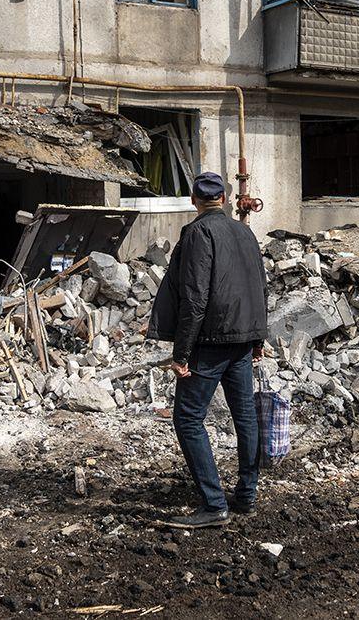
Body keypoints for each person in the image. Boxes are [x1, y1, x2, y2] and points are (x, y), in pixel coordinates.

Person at [147, 171, 268, 529]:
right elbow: (260, 286)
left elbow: (195, 297)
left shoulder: (198, 232)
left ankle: (214, 504)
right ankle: (246, 495)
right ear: (226, 200)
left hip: (211, 341)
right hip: (243, 340)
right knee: (244, 415)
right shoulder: (245, 232)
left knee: (187, 418)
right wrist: (257, 339)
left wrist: (181, 353)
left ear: (193, 200)